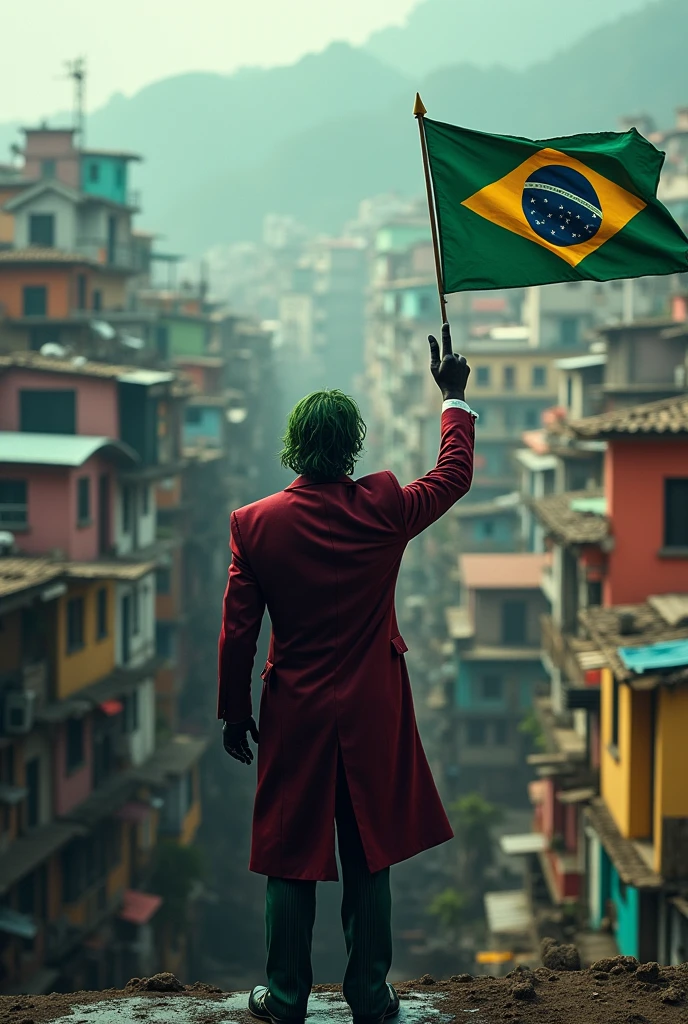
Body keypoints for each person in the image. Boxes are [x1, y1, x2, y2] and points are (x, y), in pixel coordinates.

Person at [218, 323, 476, 1024]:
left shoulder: (255, 524)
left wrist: (233, 713)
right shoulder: (385, 509)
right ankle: (369, 994)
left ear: (294, 445)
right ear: (352, 446)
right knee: (370, 849)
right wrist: (453, 399)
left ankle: (285, 997)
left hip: (294, 711)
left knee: (288, 853)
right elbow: (452, 476)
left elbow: (240, 630)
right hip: (373, 706)